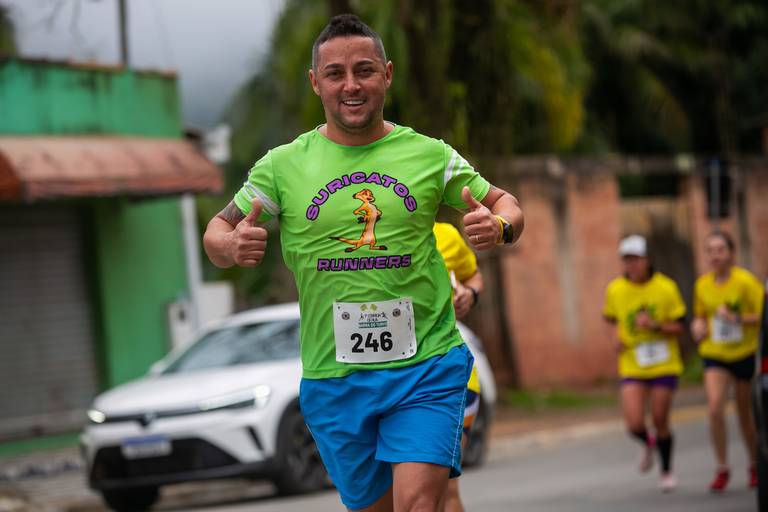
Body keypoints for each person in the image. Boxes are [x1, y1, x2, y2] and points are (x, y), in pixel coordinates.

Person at [203, 14, 523, 512]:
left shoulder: (428, 155)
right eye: (335, 73)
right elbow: (216, 231)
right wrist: (231, 247)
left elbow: (507, 204)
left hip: (425, 367)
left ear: (386, 75)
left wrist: (499, 226)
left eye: (365, 70)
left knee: (418, 504)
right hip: (335, 380)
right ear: (316, 82)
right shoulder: (281, 167)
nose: (351, 85)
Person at [603, 235, 686, 492]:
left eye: (636, 259)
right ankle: (649, 442)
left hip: (664, 363)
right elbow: (610, 319)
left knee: (660, 418)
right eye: (627, 259)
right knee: (634, 424)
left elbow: (680, 326)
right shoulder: (615, 289)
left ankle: (666, 471)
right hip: (633, 363)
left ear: (648, 259)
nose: (632, 265)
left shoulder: (666, 287)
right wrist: (615, 338)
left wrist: (655, 325)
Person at [691, 231, 764, 492]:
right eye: (710, 250)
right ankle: (722, 467)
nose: (715, 255)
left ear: (731, 253)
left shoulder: (746, 282)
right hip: (715, 354)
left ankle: (754, 464)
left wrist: (738, 319)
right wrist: (698, 326)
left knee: (745, 414)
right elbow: (700, 315)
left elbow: (762, 315)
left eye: (720, 249)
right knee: (714, 409)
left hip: (743, 353)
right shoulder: (702, 285)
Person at [433, 221, 483, 512]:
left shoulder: (446, 235)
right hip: (386, 381)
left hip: (451, 376)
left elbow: (473, 274)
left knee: (444, 487)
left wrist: (469, 294)